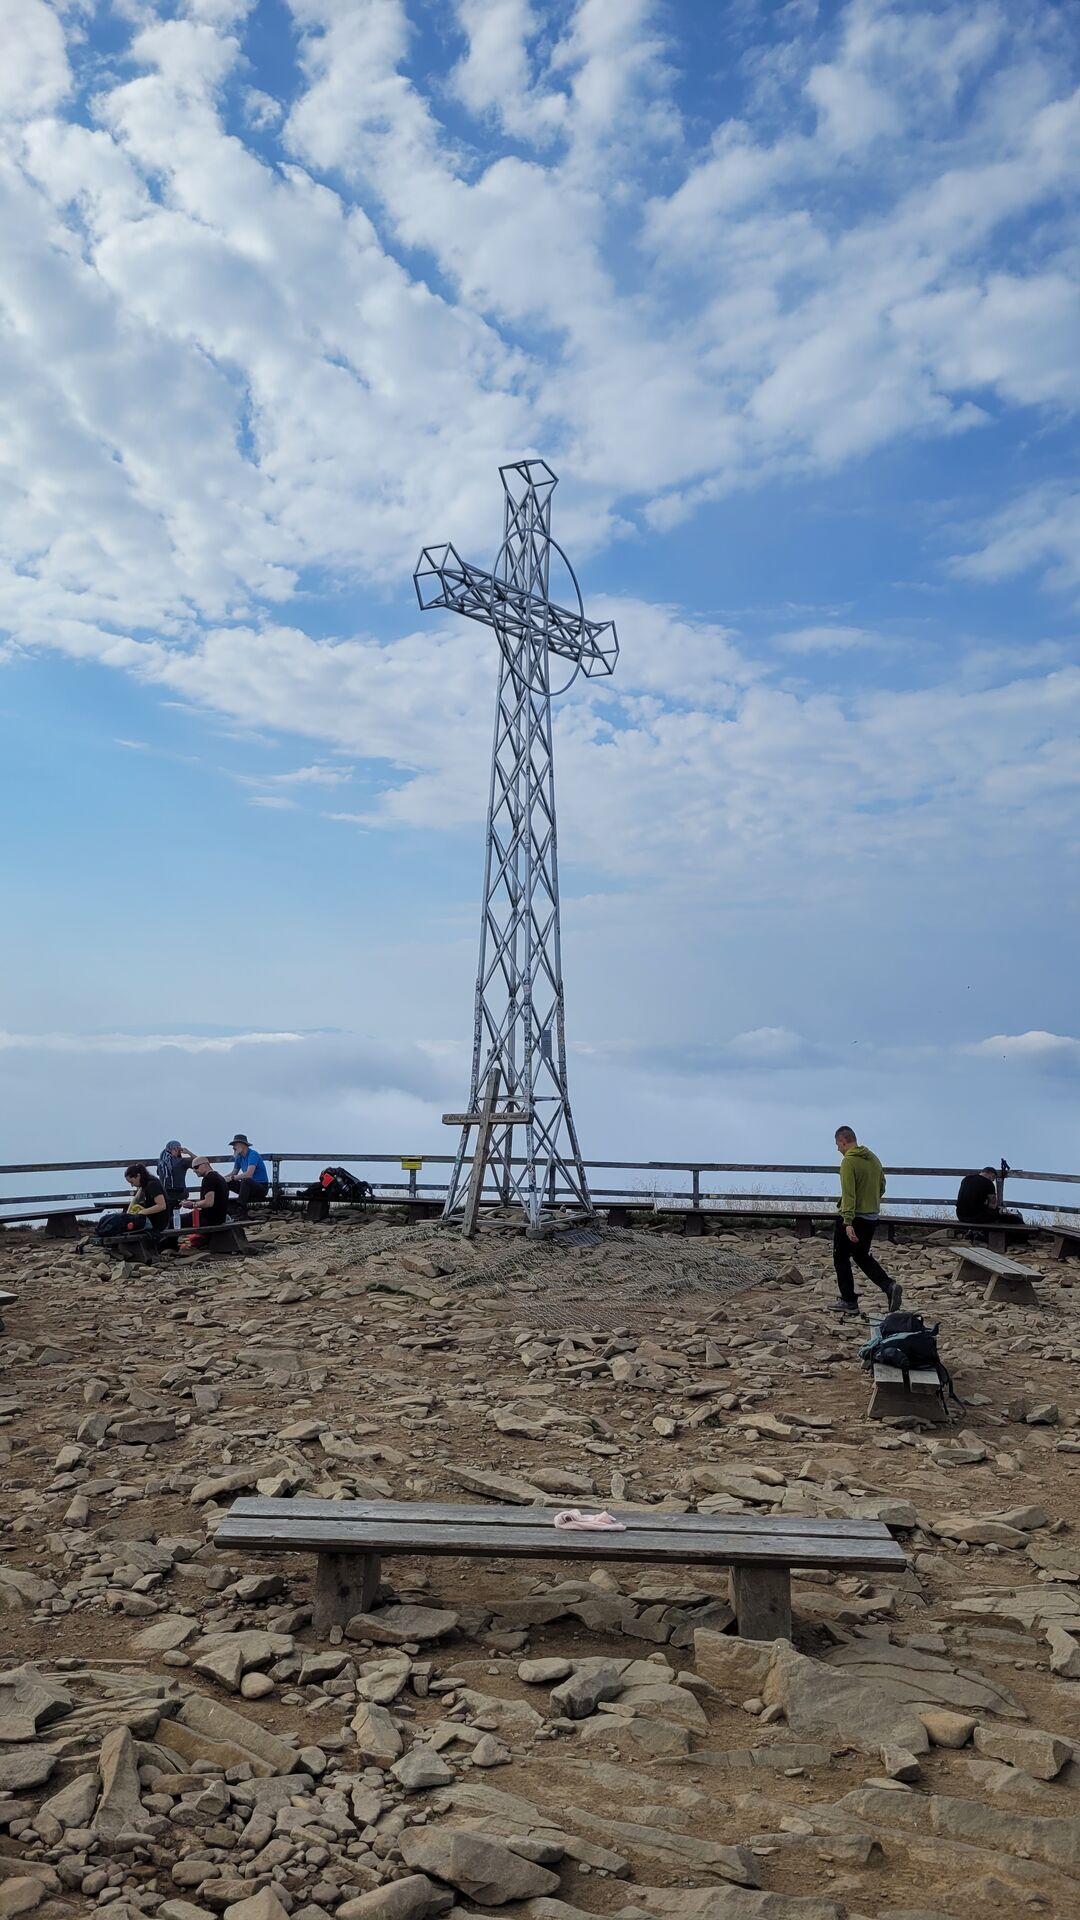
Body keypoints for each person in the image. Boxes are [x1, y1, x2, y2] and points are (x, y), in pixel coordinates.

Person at [832, 1125, 901, 1315]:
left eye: (837, 1144)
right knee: (861, 1255)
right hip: (871, 1217)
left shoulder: (848, 1162)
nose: (837, 1149)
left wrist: (847, 1222)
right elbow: (882, 1186)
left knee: (840, 1257)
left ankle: (849, 1301)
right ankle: (888, 1286)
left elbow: (849, 1193)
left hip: (854, 1217)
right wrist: (871, 1201)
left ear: (843, 1141)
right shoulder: (873, 1159)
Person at [97, 1163, 170, 1245]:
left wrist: (142, 1212)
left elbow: (162, 1206)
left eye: (132, 1182)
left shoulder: (153, 1184)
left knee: (124, 1226)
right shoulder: (144, 1184)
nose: (132, 1185)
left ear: (138, 1176)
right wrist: (128, 1214)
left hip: (157, 1222)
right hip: (149, 1218)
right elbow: (136, 1199)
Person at [956, 1166, 1025, 1229]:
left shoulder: (966, 1179)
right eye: (993, 1177)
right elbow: (992, 1206)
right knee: (1011, 1218)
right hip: (976, 1217)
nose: (993, 1180)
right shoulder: (989, 1183)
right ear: (989, 1173)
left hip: (960, 1216)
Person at [185, 1155, 230, 1249]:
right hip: (220, 1218)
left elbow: (208, 1203)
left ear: (205, 1164)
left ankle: (168, 1247)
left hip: (208, 1219)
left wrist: (192, 1204)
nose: (194, 1170)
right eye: (193, 1168)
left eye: (196, 1167)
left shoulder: (208, 1179)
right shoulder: (220, 1178)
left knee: (174, 1222)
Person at [229, 1133, 269, 1213]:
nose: (233, 1147)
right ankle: (225, 1207)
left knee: (246, 1180)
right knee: (227, 1182)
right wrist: (221, 1179)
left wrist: (232, 1178)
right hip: (247, 1187)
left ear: (242, 1145)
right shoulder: (239, 1157)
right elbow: (234, 1172)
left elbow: (249, 1174)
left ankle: (241, 1209)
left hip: (261, 1188)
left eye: (235, 1145)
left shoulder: (253, 1154)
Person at [157, 1140, 194, 1227]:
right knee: (174, 1219)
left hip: (165, 1195)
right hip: (179, 1195)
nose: (178, 1151)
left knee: (168, 1218)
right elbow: (199, 1162)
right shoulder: (181, 1162)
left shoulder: (161, 1163)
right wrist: (188, 1152)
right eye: (177, 1149)